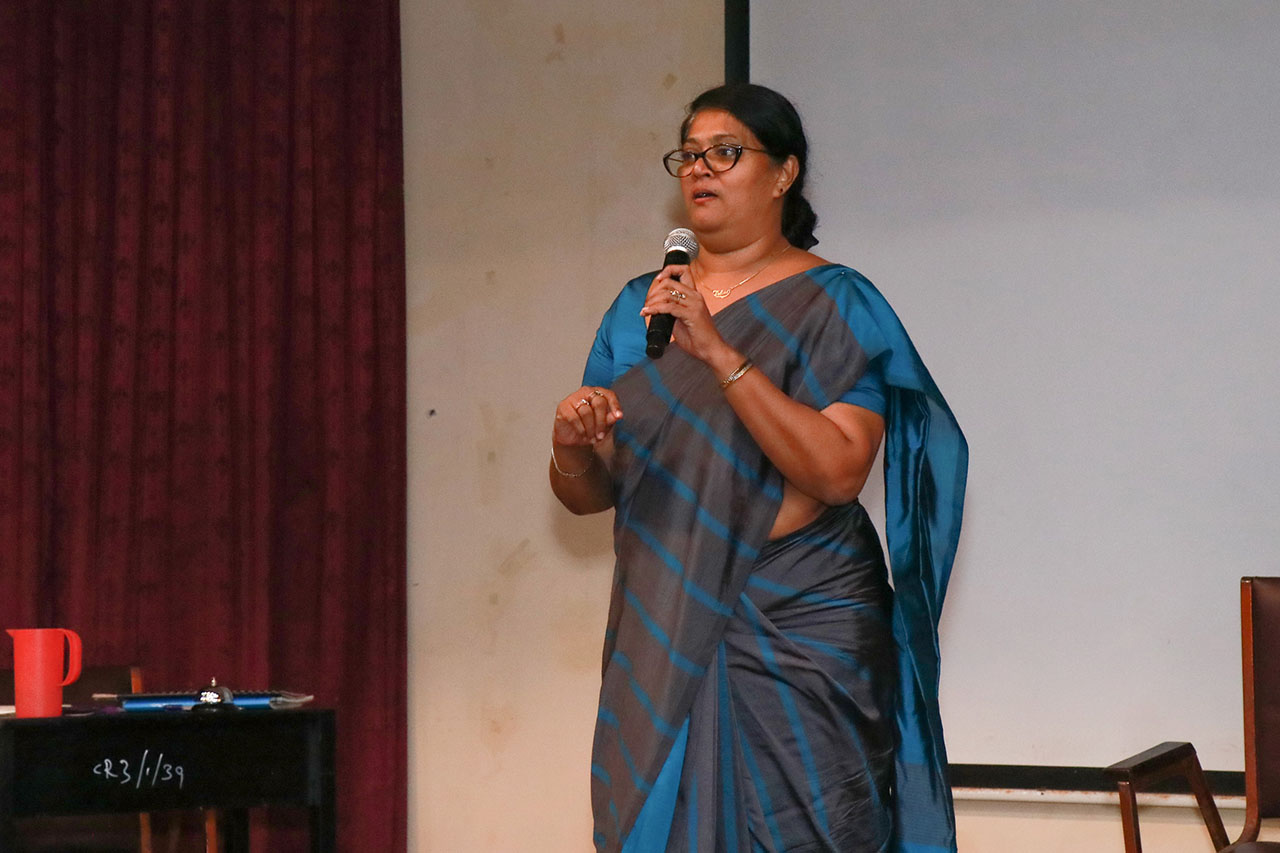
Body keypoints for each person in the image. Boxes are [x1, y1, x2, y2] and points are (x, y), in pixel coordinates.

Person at [550, 83, 967, 853]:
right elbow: (595, 493)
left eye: (726, 152)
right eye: (688, 155)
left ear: (784, 173)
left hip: (801, 620)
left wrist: (719, 353)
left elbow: (839, 473)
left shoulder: (835, 302)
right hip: (666, 621)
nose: (700, 169)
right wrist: (572, 448)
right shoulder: (638, 309)